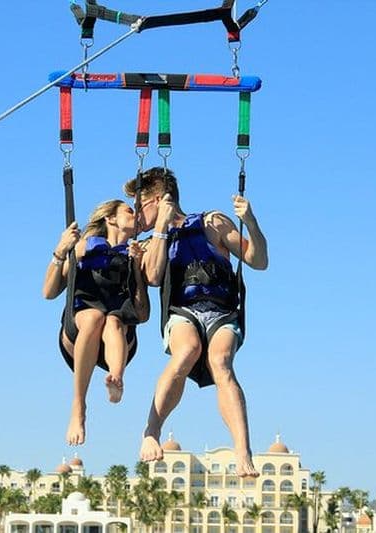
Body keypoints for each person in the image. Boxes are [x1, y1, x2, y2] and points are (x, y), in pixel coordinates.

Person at [124, 167, 268, 477]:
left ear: (160, 198)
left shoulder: (212, 222)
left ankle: (243, 450)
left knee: (221, 362)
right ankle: (151, 431)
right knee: (186, 351)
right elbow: (153, 277)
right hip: (183, 312)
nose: (136, 215)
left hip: (222, 312)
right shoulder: (152, 242)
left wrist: (251, 223)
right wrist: (161, 227)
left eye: (140, 205)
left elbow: (259, 261)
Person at [43, 199, 149, 446]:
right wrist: (61, 250)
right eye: (129, 210)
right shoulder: (82, 247)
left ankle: (116, 380)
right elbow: (48, 292)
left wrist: (136, 267)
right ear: (110, 219)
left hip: (119, 335)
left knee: (112, 320)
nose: (136, 214)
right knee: (95, 317)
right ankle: (78, 407)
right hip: (80, 325)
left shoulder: (137, 250)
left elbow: (142, 312)